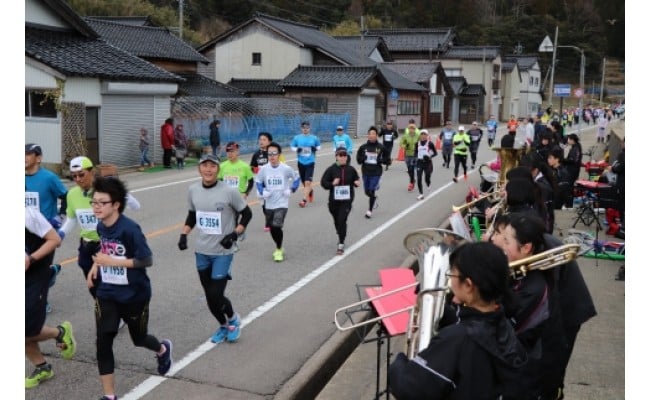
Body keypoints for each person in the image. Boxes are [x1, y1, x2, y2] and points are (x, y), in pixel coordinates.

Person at [388, 242, 528, 400]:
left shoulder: (457, 339)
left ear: (468, 285)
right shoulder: (505, 326)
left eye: (452, 276)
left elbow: (409, 388)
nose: (450, 281)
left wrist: (400, 362)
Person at [86, 177, 172, 400]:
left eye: (101, 203)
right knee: (103, 341)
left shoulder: (130, 229)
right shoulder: (100, 225)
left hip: (135, 294)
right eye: (93, 202)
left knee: (139, 338)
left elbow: (146, 260)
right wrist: (95, 266)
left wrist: (111, 262)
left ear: (116, 204)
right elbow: (105, 249)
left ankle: (162, 349)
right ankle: (110, 396)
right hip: (107, 293)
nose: (96, 207)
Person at [177, 153, 253, 343]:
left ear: (217, 170)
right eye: (205, 166)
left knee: (215, 294)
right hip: (202, 252)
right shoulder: (193, 190)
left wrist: (234, 234)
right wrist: (184, 234)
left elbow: (247, 213)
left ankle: (233, 319)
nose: (208, 169)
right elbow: (193, 215)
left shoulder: (228, 191)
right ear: (199, 169)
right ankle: (223, 324)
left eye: (212, 166)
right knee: (210, 297)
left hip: (222, 252)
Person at [489, 213, 565, 400]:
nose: (499, 243)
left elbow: (501, 331)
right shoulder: (518, 272)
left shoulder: (534, 287)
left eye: (506, 241)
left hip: (521, 375)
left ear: (526, 248)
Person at [58, 156, 140, 300]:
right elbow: (72, 219)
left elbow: (136, 207)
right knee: (92, 282)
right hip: (86, 244)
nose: (78, 179)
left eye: (81, 174)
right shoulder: (72, 194)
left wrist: (120, 191)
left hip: (107, 243)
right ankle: (103, 306)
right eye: (74, 176)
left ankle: (115, 309)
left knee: (108, 280)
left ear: (92, 172)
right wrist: (61, 234)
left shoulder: (106, 190)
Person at [25, 207, 76, 389]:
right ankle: (42, 367)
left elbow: (55, 240)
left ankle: (59, 333)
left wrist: (30, 259)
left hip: (34, 275)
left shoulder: (27, 214)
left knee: (27, 328)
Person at [25, 143, 68, 312]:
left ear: (38, 158)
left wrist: (60, 217)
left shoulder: (49, 178)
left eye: (28, 154)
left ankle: (41, 300)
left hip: (46, 233)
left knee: (38, 270)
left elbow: (66, 197)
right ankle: (51, 273)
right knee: (27, 267)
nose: (24, 157)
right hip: (25, 232)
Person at [255, 142, 300, 262]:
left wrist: (291, 189)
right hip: (269, 202)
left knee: (276, 225)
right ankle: (279, 246)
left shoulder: (285, 168)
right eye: (269, 154)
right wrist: (262, 191)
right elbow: (258, 181)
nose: (272, 156)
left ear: (279, 154)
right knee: (272, 227)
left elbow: (296, 178)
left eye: (274, 153)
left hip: (282, 203)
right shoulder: (264, 169)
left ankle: (279, 249)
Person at [320, 148, 361, 255]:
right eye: (340, 155)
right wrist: (332, 183)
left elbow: (356, 179)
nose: (343, 157)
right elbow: (323, 183)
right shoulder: (331, 169)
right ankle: (340, 232)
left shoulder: (351, 169)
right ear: (336, 156)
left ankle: (341, 243)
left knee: (342, 220)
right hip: (334, 201)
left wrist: (356, 182)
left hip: (346, 201)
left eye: (344, 155)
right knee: (337, 221)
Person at [357, 126, 389, 218]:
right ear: (368, 135)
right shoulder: (363, 147)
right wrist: (362, 159)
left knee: (371, 190)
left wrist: (381, 160)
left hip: (376, 172)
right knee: (367, 192)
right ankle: (374, 198)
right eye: (370, 134)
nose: (371, 135)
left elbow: (388, 160)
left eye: (373, 134)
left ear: (376, 136)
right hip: (366, 172)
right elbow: (358, 160)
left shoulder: (381, 147)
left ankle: (369, 211)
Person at [291, 121, 321, 207]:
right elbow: (292, 147)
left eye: (307, 128)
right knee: (304, 183)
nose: (305, 129)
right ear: (301, 128)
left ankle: (304, 200)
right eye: (304, 128)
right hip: (301, 162)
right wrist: (297, 150)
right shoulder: (297, 138)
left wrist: (314, 148)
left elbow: (319, 147)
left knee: (307, 182)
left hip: (310, 162)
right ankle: (310, 191)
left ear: (309, 128)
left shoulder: (314, 138)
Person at [414, 129, 437, 200]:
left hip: (428, 163)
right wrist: (415, 159)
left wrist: (429, 156)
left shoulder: (430, 143)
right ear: (420, 136)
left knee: (427, 178)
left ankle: (428, 185)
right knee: (419, 178)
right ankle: (421, 194)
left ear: (427, 136)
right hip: (420, 163)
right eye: (422, 134)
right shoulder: (417, 143)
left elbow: (435, 153)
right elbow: (415, 153)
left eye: (425, 134)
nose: (423, 136)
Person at [609, 137, 625, 227]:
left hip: (623, 183)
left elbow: (619, 168)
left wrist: (612, 168)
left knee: (622, 204)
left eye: (622, 142)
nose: (621, 144)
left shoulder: (623, 154)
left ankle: (623, 225)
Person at [563, 134, 583, 207]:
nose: (567, 141)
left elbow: (573, 160)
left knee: (569, 188)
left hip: (572, 171)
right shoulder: (576, 146)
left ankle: (569, 204)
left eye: (568, 139)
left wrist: (563, 160)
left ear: (572, 140)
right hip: (573, 170)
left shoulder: (576, 148)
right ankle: (568, 203)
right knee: (569, 187)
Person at [400, 123, 420, 191]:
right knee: (409, 169)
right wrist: (405, 146)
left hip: (415, 155)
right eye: (410, 129)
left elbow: (422, 143)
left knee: (411, 168)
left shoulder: (417, 136)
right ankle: (413, 179)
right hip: (407, 154)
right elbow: (401, 143)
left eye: (413, 129)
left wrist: (419, 147)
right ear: (408, 129)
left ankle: (411, 183)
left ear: (415, 129)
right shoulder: (405, 136)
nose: (411, 130)